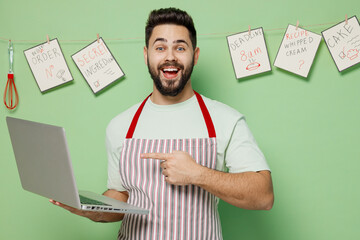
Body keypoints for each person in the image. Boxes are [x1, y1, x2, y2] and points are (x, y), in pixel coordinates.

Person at [51, 7, 274, 239]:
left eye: (180, 47)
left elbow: (264, 196)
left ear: (195, 55)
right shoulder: (120, 125)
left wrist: (197, 174)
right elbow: (121, 196)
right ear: (146, 54)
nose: (170, 57)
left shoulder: (225, 119)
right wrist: (88, 209)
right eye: (160, 48)